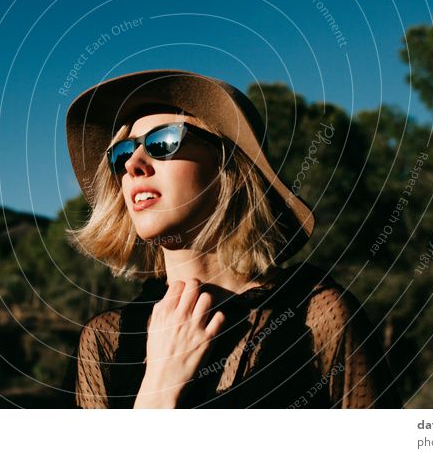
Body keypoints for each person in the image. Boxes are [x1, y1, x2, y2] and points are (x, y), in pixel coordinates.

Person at [62, 69, 402, 409]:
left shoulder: (318, 316)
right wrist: (159, 388)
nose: (134, 164)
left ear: (228, 166)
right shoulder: (108, 341)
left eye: (162, 142)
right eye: (121, 153)